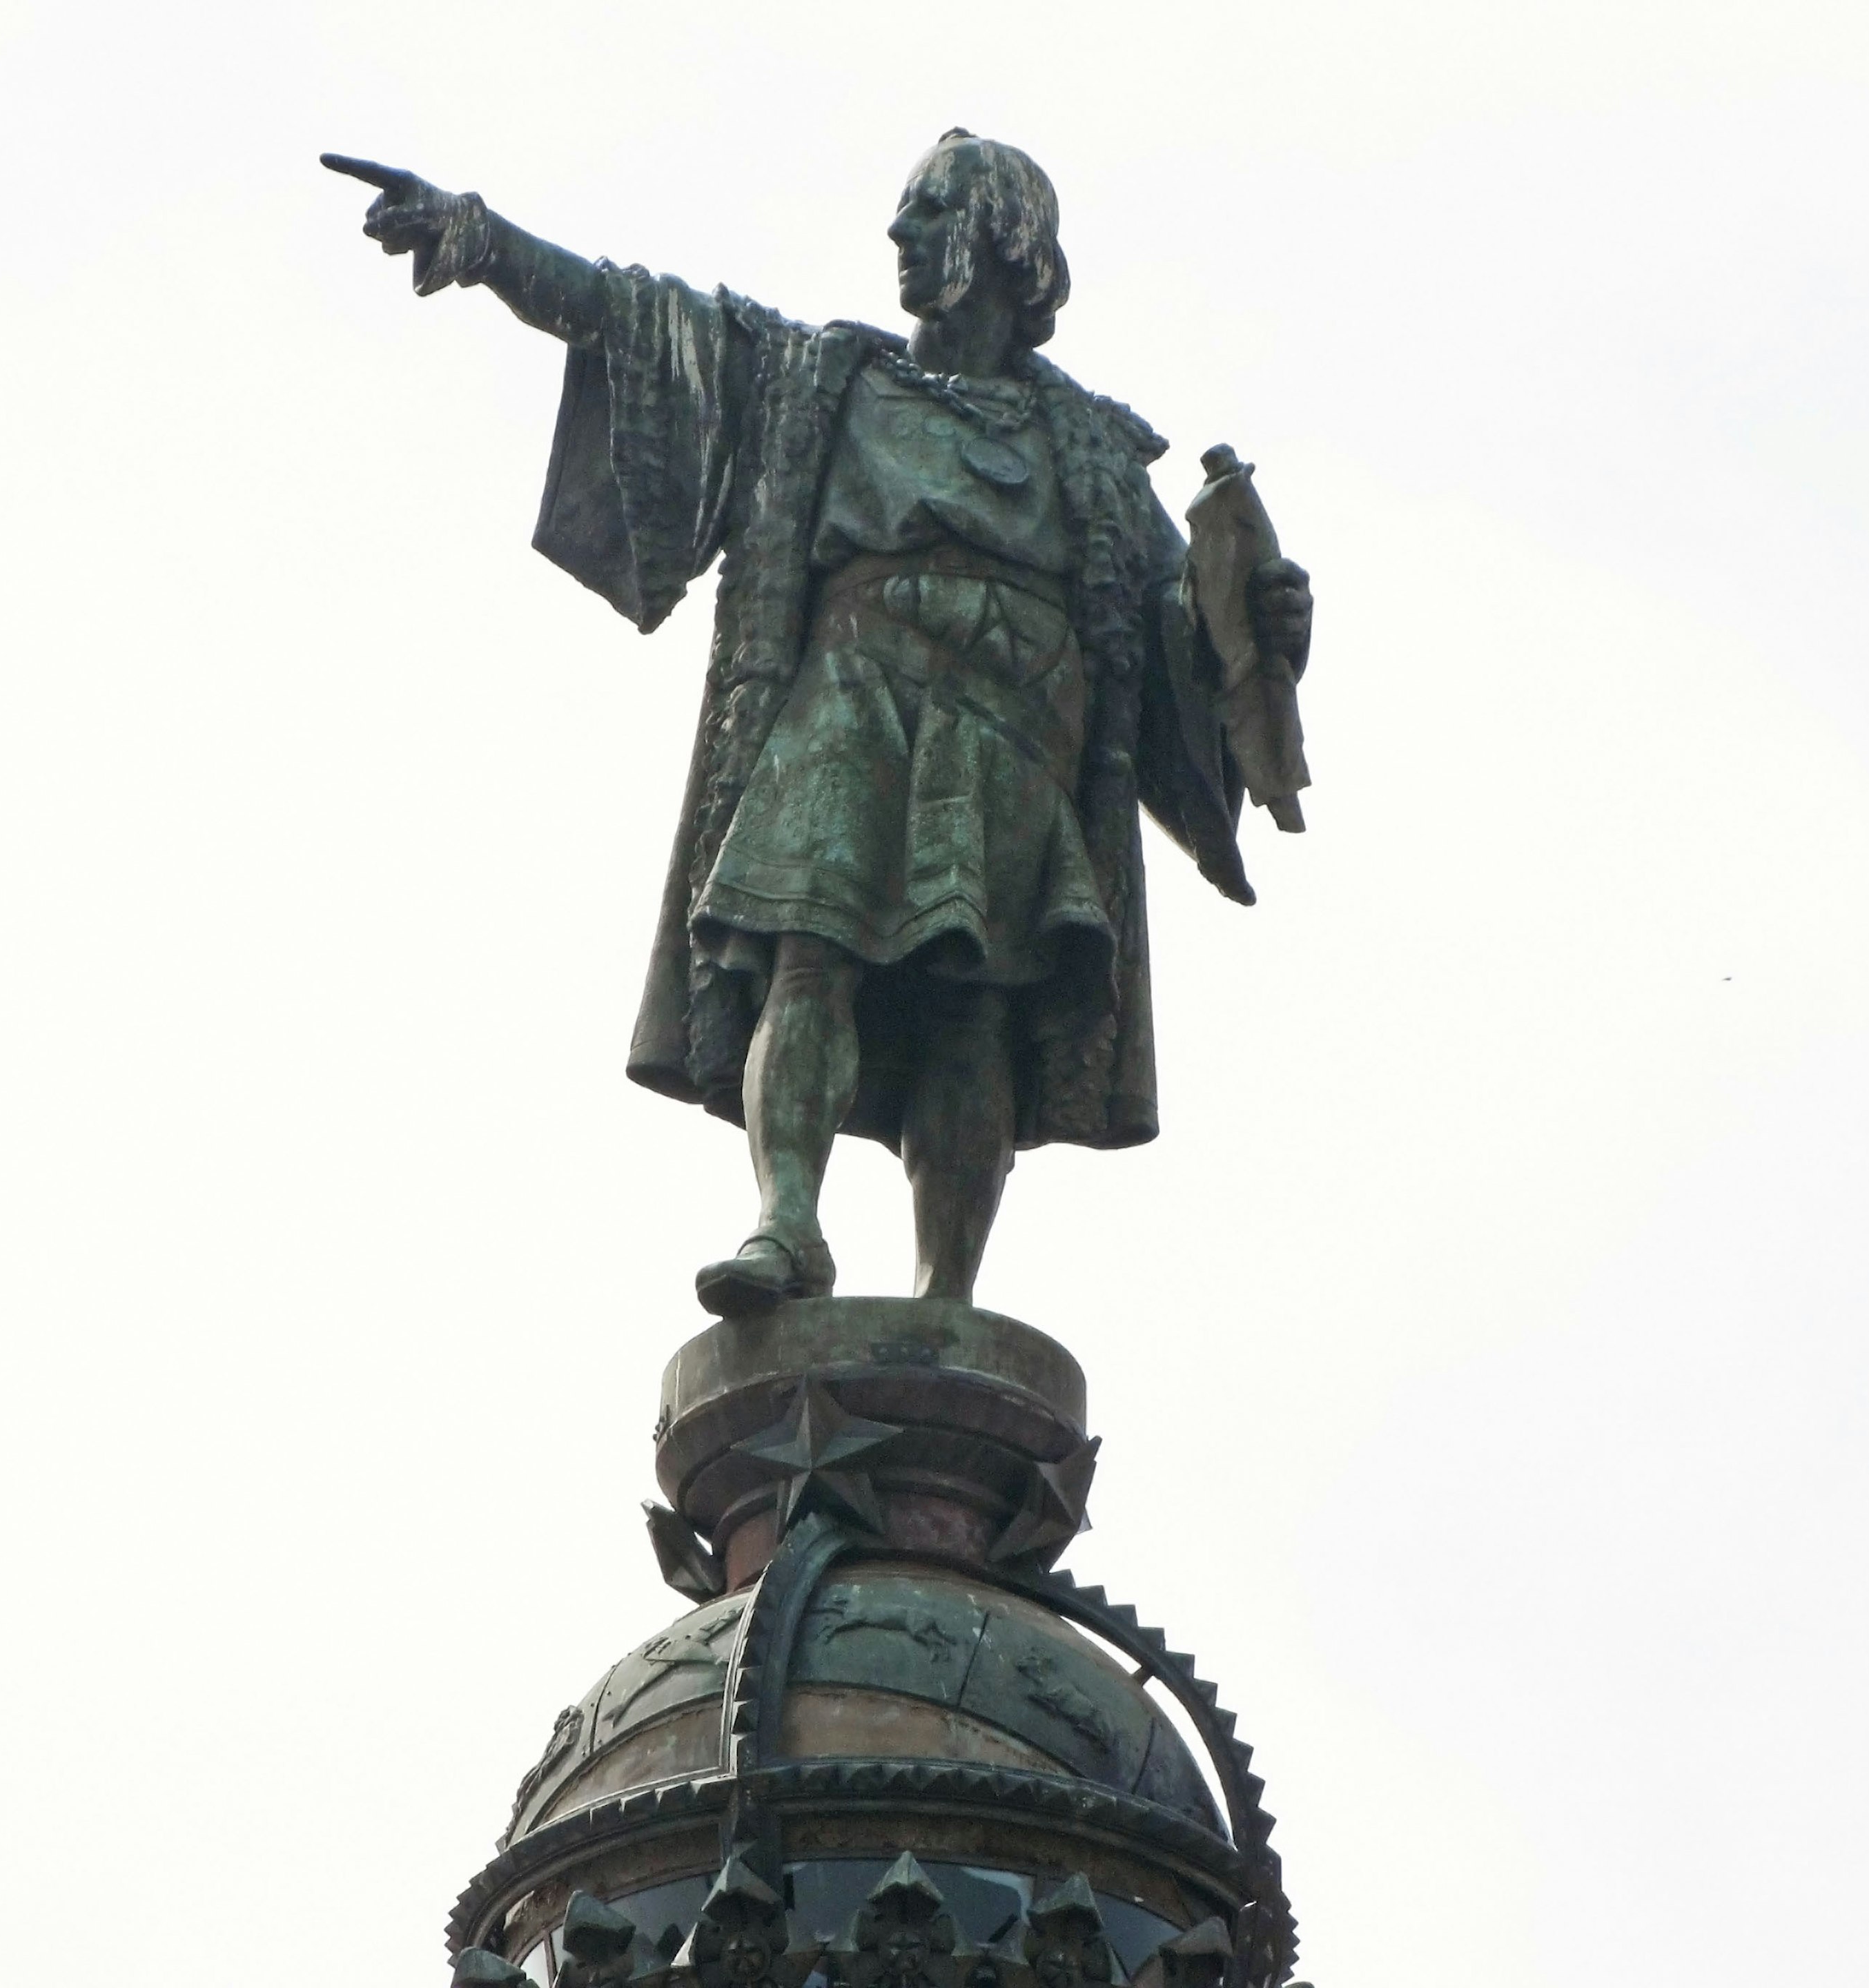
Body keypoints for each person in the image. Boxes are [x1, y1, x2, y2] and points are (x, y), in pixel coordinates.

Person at [322, 130, 1314, 1316]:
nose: (898, 234)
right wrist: (485, 242)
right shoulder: (822, 378)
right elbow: (645, 322)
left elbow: (1177, 641)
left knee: (973, 1012)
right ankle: (786, 1224)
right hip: (856, 696)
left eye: (929, 210)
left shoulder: (1095, 452)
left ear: (1007, 242)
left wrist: (1263, 626)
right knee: (807, 951)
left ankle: (947, 1299)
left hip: (1013, 742)